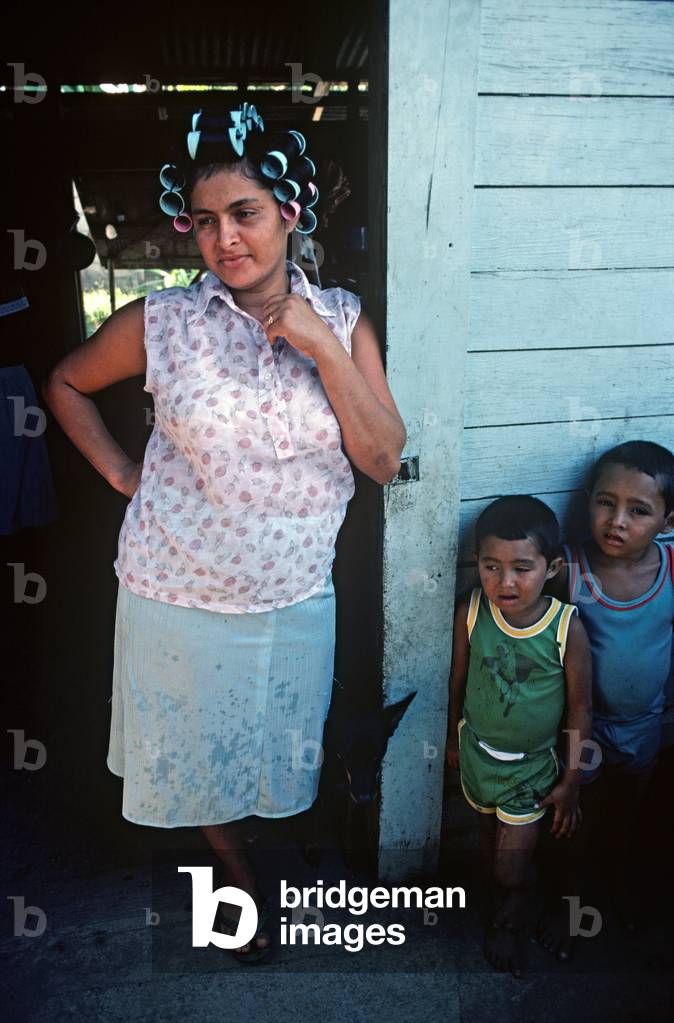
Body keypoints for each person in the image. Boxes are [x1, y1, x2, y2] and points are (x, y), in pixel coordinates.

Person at [42, 102, 406, 962]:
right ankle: (235, 874)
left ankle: (269, 847)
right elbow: (63, 381)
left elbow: (384, 458)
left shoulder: (346, 318)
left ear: (289, 211)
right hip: (176, 592)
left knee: (277, 746)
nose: (224, 239)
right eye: (205, 221)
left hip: (291, 595)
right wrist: (122, 475)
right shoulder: (164, 322)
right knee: (196, 754)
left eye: (244, 213)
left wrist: (320, 344)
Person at [445, 495, 592, 976]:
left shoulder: (565, 627)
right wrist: (451, 738)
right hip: (477, 756)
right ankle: (508, 893)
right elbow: (458, 683)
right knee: (488, 838)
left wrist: (570, 782)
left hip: (531, 768)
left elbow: (579, 707)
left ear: (551, 567)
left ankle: (518, 908)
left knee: (510, 865)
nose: (504, 582)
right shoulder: (471, 611)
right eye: (491, 566)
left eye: (521, 568)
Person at [545, 441, 674, 934]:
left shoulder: (670, 569)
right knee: (576, 825)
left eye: (638, 510)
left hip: (645, 724)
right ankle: (570, 911)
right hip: (583, 731)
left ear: (667, 521)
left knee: (626, 823)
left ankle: (613, 899)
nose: (617, 520)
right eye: (606, 502)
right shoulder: (570, 571)